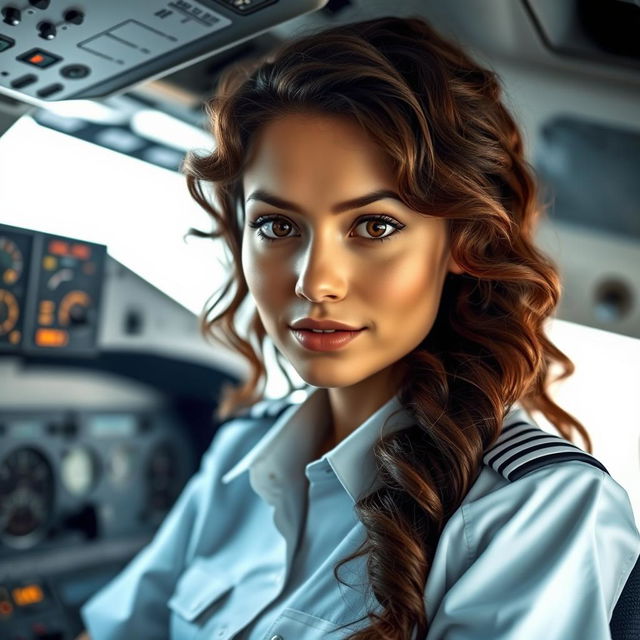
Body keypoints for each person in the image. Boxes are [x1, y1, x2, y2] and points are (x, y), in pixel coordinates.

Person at [77, 14, 640, 640]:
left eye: (374, 226)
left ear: (463, 242)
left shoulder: (538, 511)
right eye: (276, 226)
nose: (315, 281)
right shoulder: (239, 457)